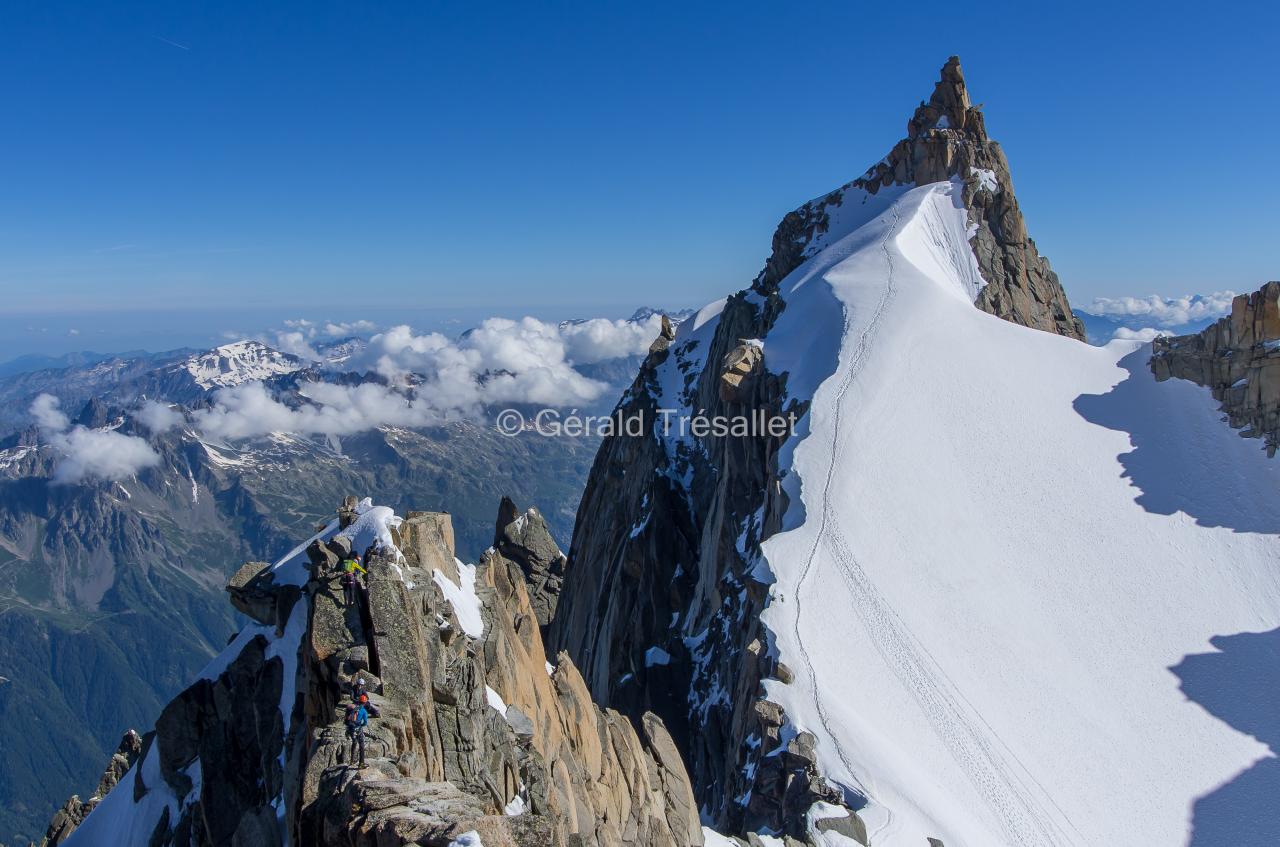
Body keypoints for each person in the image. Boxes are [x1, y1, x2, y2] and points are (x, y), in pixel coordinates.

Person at [344, 700, 369, 767]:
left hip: (350, 729)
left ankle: (351, 761)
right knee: (361, 745)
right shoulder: (363, 710)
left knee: (354, 742)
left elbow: (347, 719)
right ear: (365, 703)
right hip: (358, 729)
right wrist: (361, 725)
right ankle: (361, 763)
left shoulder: (354, 708)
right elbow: (365, 722)